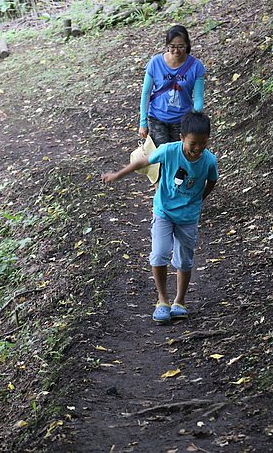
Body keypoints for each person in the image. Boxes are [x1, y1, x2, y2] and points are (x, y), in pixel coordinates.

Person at [103, 111, 218, 323]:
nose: (198, 148)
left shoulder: (209, 160)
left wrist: (200, 199)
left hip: (188, 217)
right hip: (164, 211)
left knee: (184, 260)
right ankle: (162, 299)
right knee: (159, 254)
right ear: (182, 138)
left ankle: (179, 301)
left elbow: (212, 180)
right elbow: (142, 162)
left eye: (203, 143)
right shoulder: (168, 150)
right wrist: (118, 175)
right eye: (193, 143)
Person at [139, 25, 206, 147]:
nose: (176, 50)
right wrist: (143, 122)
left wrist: (194, 121)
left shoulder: (196, 67)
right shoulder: (155, 63)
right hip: (156, 117)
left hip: (182, 120)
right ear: (167, 46)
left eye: (181, 46)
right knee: (161, 156)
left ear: (187, 45)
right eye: (172, 47)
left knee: (178, 156)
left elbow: (198, 98)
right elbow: (146, 93)